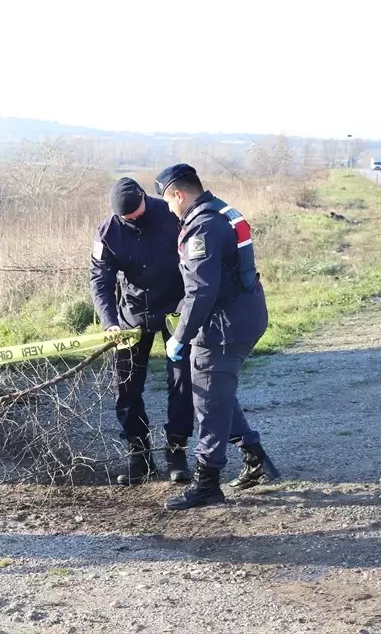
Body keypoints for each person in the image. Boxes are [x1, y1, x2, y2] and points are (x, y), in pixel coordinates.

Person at [154, 164, 280, 510]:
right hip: (243, 314)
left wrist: (180, 336)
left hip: (225, 326)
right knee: (217, 391)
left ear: (179, 194)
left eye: (167, 201)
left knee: (208, 401)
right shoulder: (221, 210)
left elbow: (202, 290)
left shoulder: (204, 227)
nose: (168, 209)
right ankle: (255, 457)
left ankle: (207, 483)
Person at [90, 178, 194, 486]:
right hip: (132, 314)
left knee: (181, 381)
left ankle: (177, 452)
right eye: (127, 218)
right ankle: (139, 453)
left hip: (176, 309)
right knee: (126, 385)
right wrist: (110, 321)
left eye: (137, 213)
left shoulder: (172, 215)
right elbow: (100, 280)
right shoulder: (107, 232)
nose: (133, 219)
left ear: (144, 201)